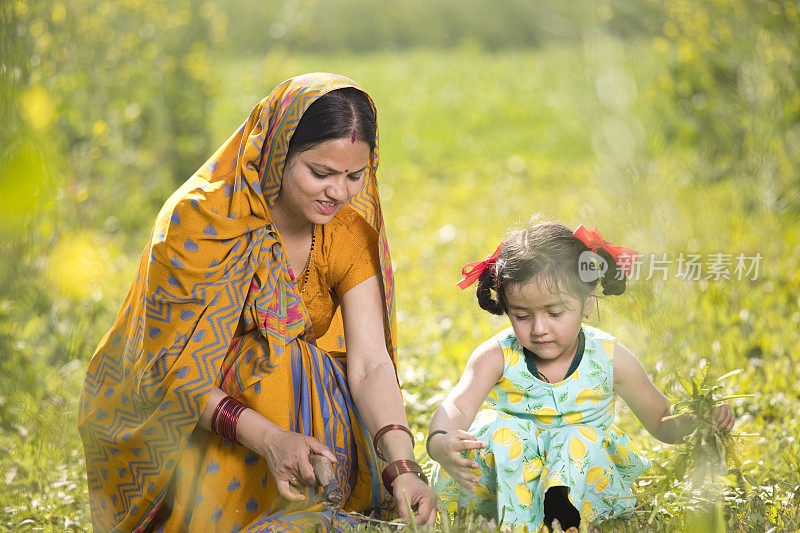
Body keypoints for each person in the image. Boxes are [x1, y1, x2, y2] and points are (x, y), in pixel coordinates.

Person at [77, 73, 438, 532]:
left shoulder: (345, 233)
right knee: (271, 363)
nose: (340, 193)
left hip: (298, 421)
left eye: (355, 176)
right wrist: (271, 439)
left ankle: (316, 504)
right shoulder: (199, 223)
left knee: (303, 361)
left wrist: (403, 468)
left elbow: (369, 362)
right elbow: (169, 372)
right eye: (321, 173)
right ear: (276, 152)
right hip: (187, 422)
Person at [426, 220, 734, 530]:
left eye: (555, 313)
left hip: (580, 479)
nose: (539, 328)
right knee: (502, 430)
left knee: (581, 436)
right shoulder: (496, 356)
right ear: (507, 308)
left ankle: (561, 514)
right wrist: (440, 441)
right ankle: (507, 518)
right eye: (522, 315)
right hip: (507, 481)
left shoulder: (609, 358)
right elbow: (458, 406)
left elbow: (661, 418)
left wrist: (699, 418)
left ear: (587, 303)